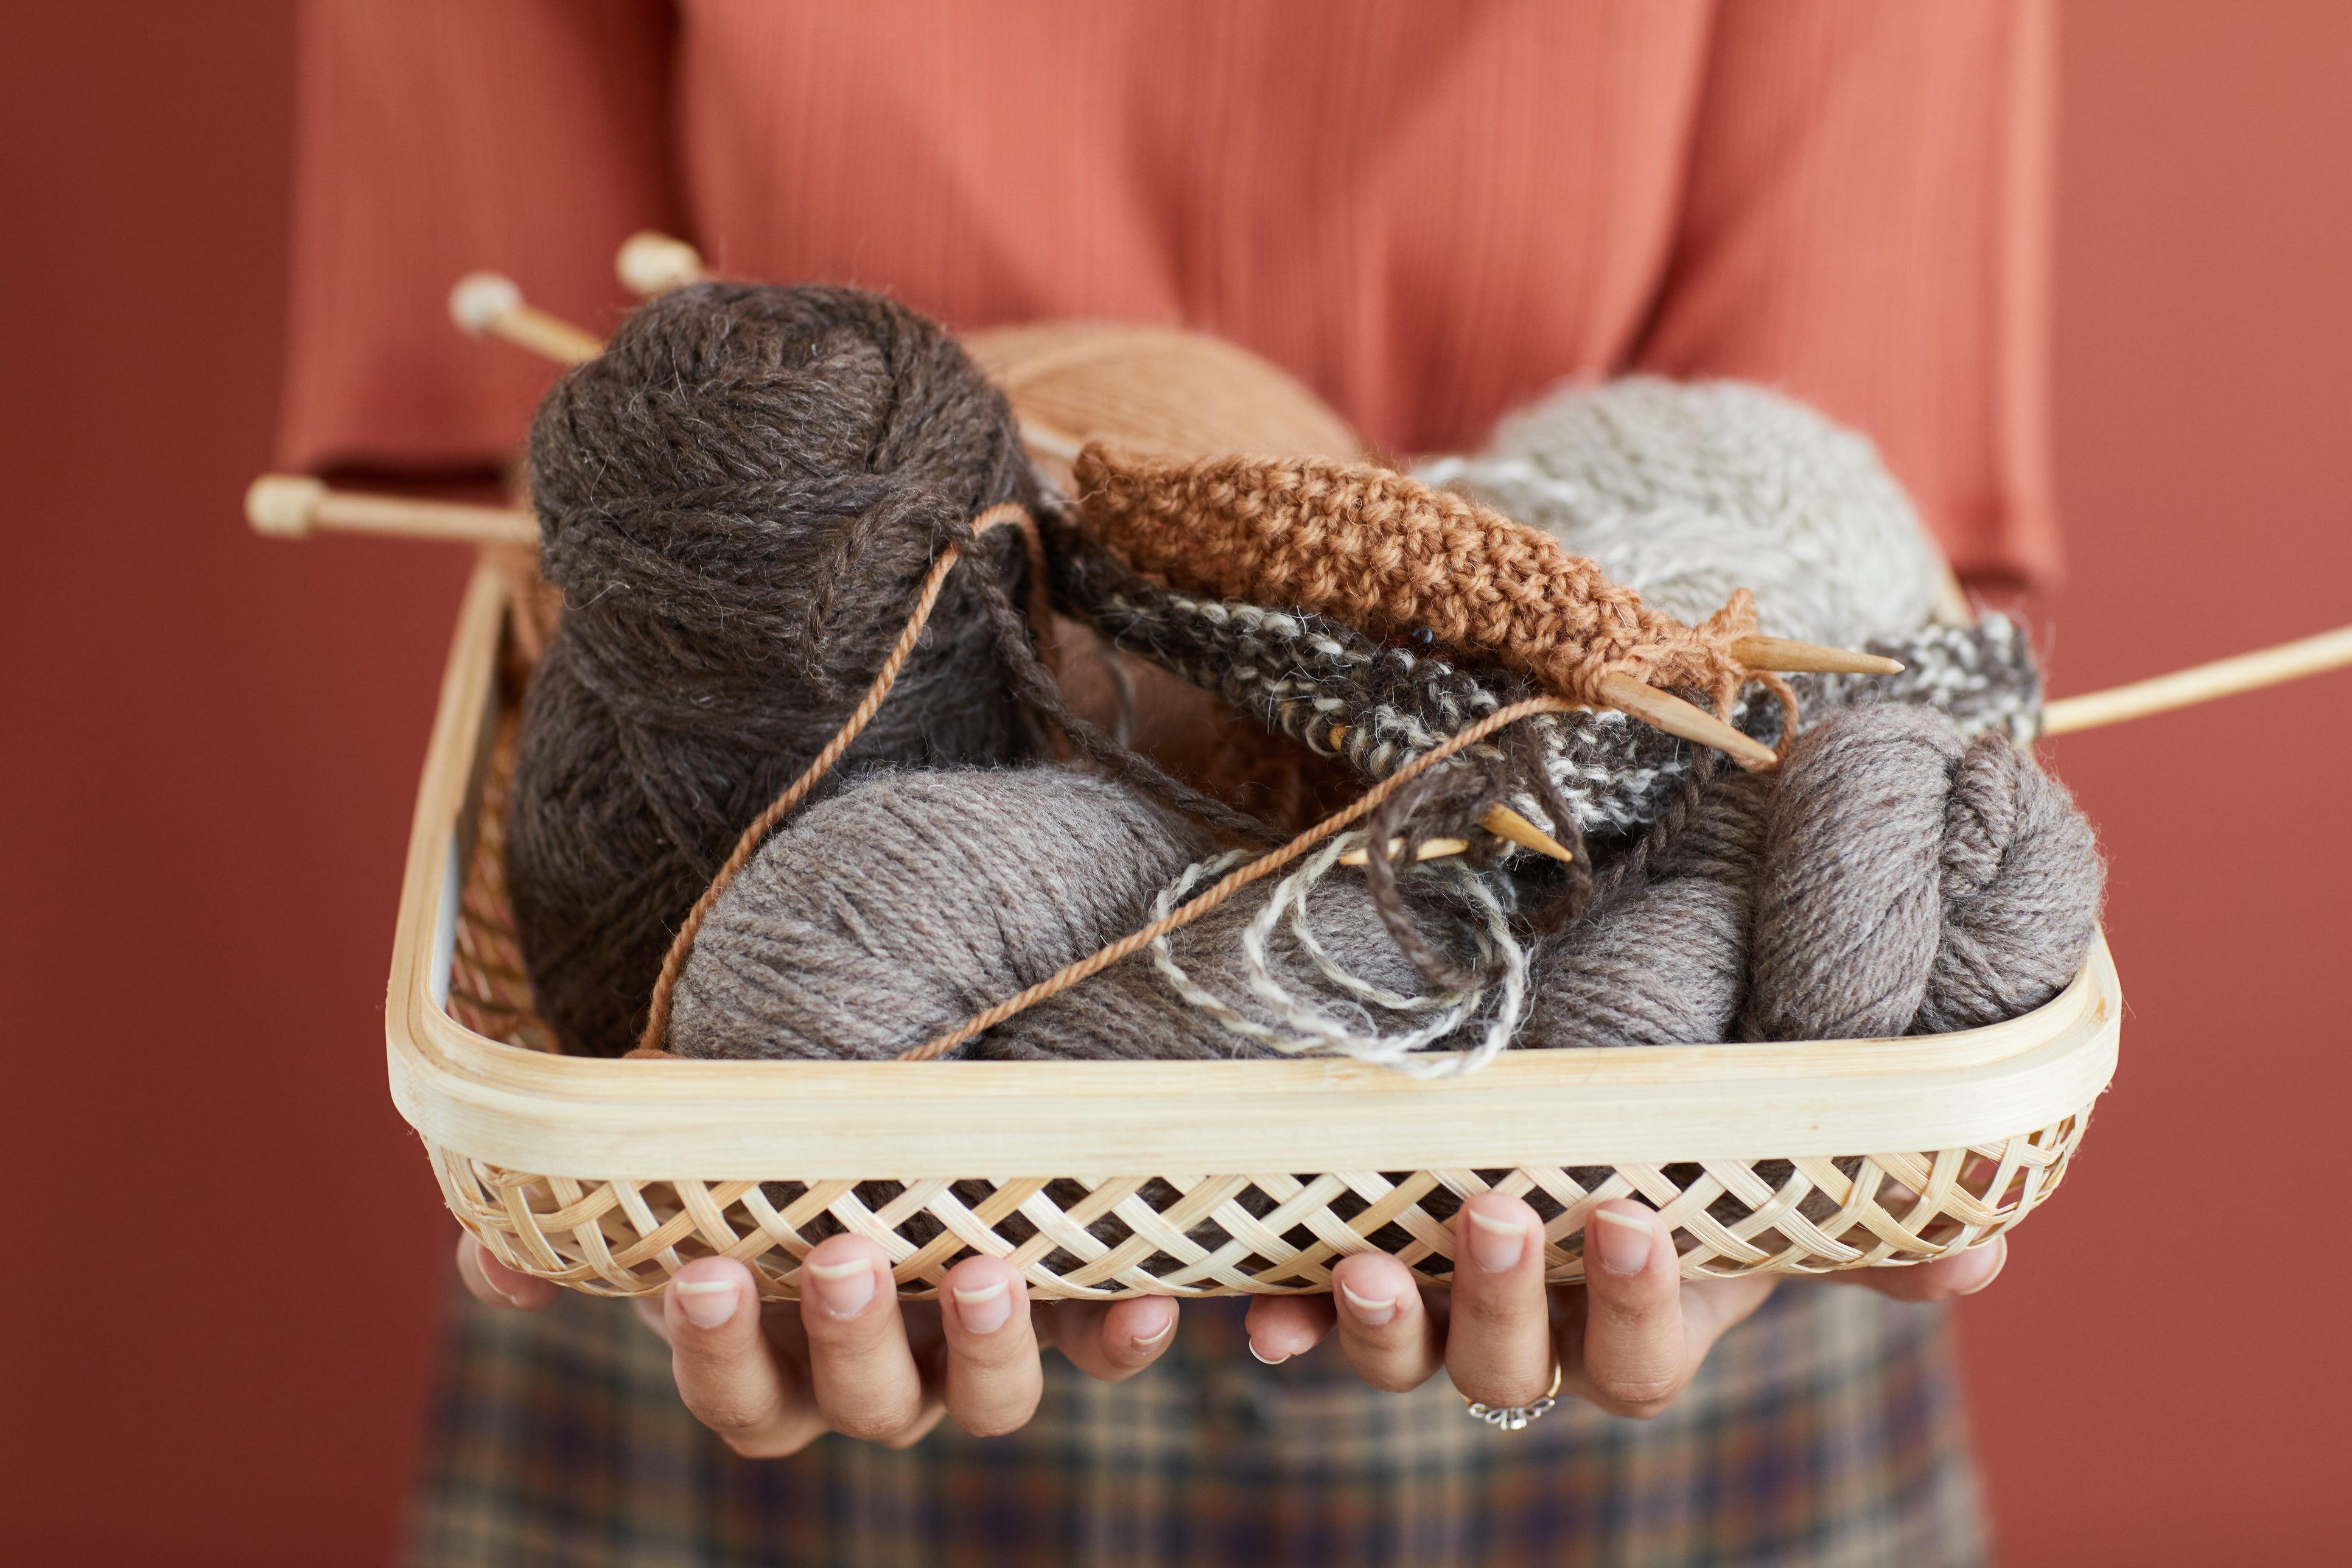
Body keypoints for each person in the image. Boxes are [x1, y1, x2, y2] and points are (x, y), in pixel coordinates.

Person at [286, 4, 2054, 1561]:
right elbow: (595, 490)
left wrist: (1750, 1182)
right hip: (782, 1146)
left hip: (1625, 1136)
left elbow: (1839, 584)